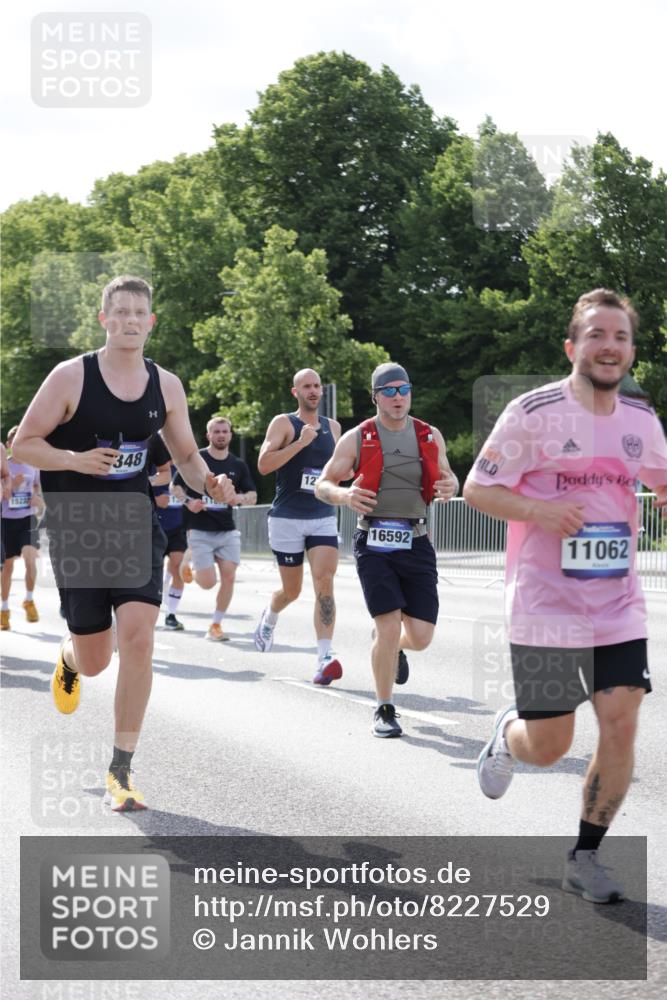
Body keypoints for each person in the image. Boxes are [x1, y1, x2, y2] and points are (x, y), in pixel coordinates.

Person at [463, 288, 667, 903]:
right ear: (572, 346)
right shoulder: (533, 412)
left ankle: (586, 855)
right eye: (598, 335)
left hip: (617, 604)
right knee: (549, 747)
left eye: (621, 336)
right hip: (545, 603)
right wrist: (539, 510)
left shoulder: (641, 421)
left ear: (631, 350)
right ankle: (509, 736)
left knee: (622, 721)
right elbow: (478, 488)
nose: (610, 346)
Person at [12, 275, 236, 812]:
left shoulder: (168, 385)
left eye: (140, 313)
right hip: (78, 525)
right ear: (104, 320)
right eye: (121, 312)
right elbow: (23, 442)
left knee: (138, 638)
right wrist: (73, 460)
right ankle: (69, 655)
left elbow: (185, 454)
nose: (131, 320)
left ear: (151, 322)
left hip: (136, 522)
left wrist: (210, 482)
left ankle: (121, 769)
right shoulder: (71, 377)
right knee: (96, 659)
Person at [315, 363, 459, 735]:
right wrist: (344, 494)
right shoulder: (358, 437)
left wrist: (451, 486)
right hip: (374, 540)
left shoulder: (429, 435)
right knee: (388, 622)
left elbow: (448, 476)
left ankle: (391, 646)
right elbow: (322, 484)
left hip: (417, 539)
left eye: (403, 389)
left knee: (423, 637)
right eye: (389, 390)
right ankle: (384, 708)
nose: (398, 397)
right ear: (376, 396)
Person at [254, 369, 344, 685]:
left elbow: (338, 471)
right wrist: (299, 443)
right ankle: (270, 615)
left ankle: (324, 657)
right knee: (292, 590)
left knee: (325, 581)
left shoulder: (333, 428)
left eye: (317, 385)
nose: (313, 390)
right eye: (306, 386)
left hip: (321, 515)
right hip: (286, 518)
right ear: (296, 392)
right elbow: (264, 465)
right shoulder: (284, 423)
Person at [173, 416, 257, 640]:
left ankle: (216, 625)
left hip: (226, 530)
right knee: (208, 583)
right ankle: (187, 559)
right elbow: (175, 486)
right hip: (200, 530)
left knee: (229, 576)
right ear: (208, 435)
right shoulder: (198, 459)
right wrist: (189, 502)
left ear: (231, 435)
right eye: (216, 431)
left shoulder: (237, 465)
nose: (221, 435)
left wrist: (236, 497)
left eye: (224, 431)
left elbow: (253, 495)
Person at [1, 425, 45, 629]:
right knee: (7, 567)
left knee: (30, 560)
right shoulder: (5, 466)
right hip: (6, 520)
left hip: (27, 519)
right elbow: (4, 494)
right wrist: (12, 485)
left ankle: (28, 599)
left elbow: (36, 487)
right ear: (10, 445)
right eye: (14, 442)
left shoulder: (33, 466)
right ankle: (4, 609)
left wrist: (37, 498)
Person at [148, 436, 188, 630]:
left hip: (177, 529)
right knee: (151, 573)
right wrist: (156, 500)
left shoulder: (183, 471)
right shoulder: (153, 468)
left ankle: (171, 614)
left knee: (178, 567)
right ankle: (147, 611)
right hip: (153, 526)